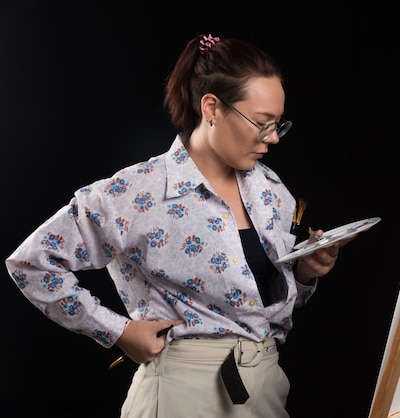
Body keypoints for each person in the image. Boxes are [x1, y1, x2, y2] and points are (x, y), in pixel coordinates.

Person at [5, 33, 352, 417]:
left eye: (278, 125)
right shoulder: (136, 191)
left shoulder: (271, 190)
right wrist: (117, 331)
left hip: (264, 388)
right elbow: (32, 263)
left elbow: (268, 306)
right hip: (179, 394)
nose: (272, 138)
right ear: (212, 108)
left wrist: (304, 273)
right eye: (261, 123)